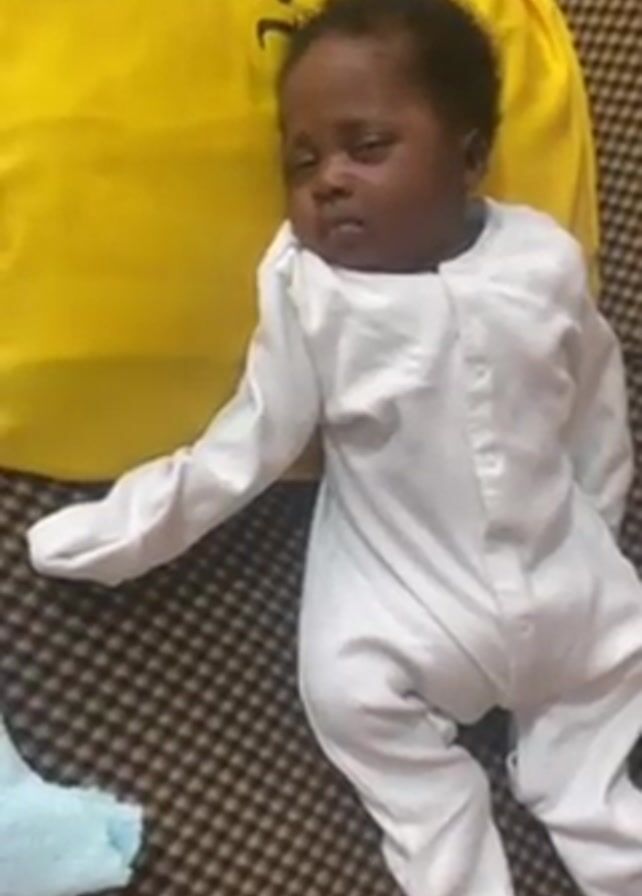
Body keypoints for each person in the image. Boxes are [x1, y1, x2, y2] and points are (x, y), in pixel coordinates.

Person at [27, 1, 642, 894]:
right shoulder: (310, 291)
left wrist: (595, 527)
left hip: (563, 581)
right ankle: (454, 858)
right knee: (346, 692)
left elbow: (593, 396)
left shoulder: (540, 258)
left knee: (617, 664)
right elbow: (250, 441)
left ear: (471, 158)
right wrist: (124, 532)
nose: (329, 181)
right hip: (400, 599)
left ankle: (593, 808)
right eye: (303, 160)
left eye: (368, 146)